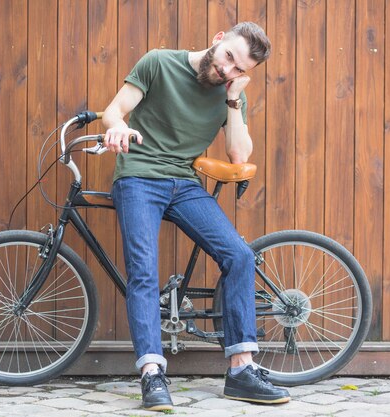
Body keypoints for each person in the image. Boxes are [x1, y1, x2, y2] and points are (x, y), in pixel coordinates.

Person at [102, 22, 290, 411]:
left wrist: (234, 100)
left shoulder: (228, 93)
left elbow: (240, 155)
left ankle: (240, 372)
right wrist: (118, 128)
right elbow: (114, 111)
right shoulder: (158, 63)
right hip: (138, 177)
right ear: (218, 39)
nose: (228, 71)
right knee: (143, 269)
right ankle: (152, 374)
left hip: (184, 183)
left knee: (238, 256)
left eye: (240, 70)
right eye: (228, 59)